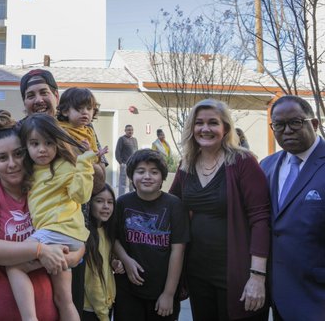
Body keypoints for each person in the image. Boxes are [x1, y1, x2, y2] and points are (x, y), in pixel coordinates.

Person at [0, 110, 82, 321]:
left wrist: (74, 255)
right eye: (2, 158)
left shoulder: (46, 186)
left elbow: (71, 226)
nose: (12, 163)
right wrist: (40, 250)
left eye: (18, 154)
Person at [170, 99, 270, 321]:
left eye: (213, 123)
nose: (205, 129)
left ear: (225, 129)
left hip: (237, 270)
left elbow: (260, 219)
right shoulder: (187, 164)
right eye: (199, 123)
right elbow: (170, 206)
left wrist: (257, 276)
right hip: (197, 271)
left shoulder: (243, 161)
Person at [12, 113, 97, 321]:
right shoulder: (31, 170)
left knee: (14, 266)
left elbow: (81, 195)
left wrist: (84, 163)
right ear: (26, 146)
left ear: (57, 143)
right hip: (62, 235)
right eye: (35, 143)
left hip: (58, 231)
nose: (42, 149)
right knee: (64, 299)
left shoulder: (66, 165)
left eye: (48, 143)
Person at [260, 95, 325, 321]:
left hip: (317, 296)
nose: (287, 130)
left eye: (295, 122)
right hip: (278, 293)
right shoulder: (267, 166)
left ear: (314, 124)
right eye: (279, 125)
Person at [113, 149, 188, 321]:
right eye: (141, 171)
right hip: (128, 290)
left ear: (162, 177)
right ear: (132, 176)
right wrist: (125, 259)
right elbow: (114, 237)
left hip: (162, 289)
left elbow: (178, 250)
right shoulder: (122, 203)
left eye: (154, 172)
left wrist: (169, 294)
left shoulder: (174, 205)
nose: (147, 176)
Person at [83, 184, 121, 321]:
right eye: (99, 201)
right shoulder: (86, 236)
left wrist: (114, 262)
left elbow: (105, 259)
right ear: (89, 203)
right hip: (92, 309)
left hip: (105, 305)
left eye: (110, 202)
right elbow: (92, 281)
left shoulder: (106, 231)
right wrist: (103, 315)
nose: (106, 206)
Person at [57, 87, 109, 170]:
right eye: (79, 108)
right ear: (65, 111)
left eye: (89, 108)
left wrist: (97, 154)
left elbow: (94, 159)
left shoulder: (89, 131)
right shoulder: (58, 128)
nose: (85, 112)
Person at [115, 125, 138, 195]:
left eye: (131, 130)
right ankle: (120, 197)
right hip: (124, 164)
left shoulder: (135, 140)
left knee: (133, 181)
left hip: (133, 165)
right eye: (128, 130)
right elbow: (117, 152)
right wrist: (120, 162)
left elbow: (137, 151)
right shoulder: (121, 139)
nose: (130, 131)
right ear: (125, 131)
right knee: (123, 183)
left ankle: (132, 196)